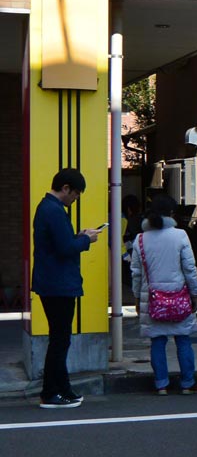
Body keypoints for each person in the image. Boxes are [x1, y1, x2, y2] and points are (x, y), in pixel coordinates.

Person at [32, 168, 101, 409]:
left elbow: (60, 243)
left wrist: (77, 236)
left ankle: (63, 389)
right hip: (57, 285)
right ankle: (51, 392)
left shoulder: (47, 208)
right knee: (60, 340)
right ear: (66, 188)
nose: (76, 198)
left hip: (52, 283)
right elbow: (64, 249)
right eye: (76, 194)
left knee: (60, 339)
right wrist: (86, 240)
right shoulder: (53, 211)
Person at [130, 193, 197, 395]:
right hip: (179, 296)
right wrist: (195, 293)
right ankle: (187, 383)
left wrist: (137, 297)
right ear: (171, 214)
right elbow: (189, 268)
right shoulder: (180, 235)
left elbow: (136, 272)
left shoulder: (141, 239)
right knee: (183, 340)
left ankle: (161, 384)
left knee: (157, 341)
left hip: (152, 299)